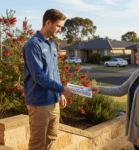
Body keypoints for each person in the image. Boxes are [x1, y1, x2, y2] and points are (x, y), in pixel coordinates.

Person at [22, 9, 76, 150]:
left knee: (52, 138)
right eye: (58, 26)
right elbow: (38, 75)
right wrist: (62, 89)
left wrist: (59, 93)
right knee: (38, 144)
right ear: (48, 22)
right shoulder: (33, 45)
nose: (60, 30)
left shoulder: (52, 44)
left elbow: (54, 71)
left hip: (54, 101)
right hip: (39, 103)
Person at [89, 41, 139, 150]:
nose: (136, 54)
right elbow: (121, 90)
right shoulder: (137, 74)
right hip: (137, 131)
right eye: (137, 51)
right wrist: (100, 89)